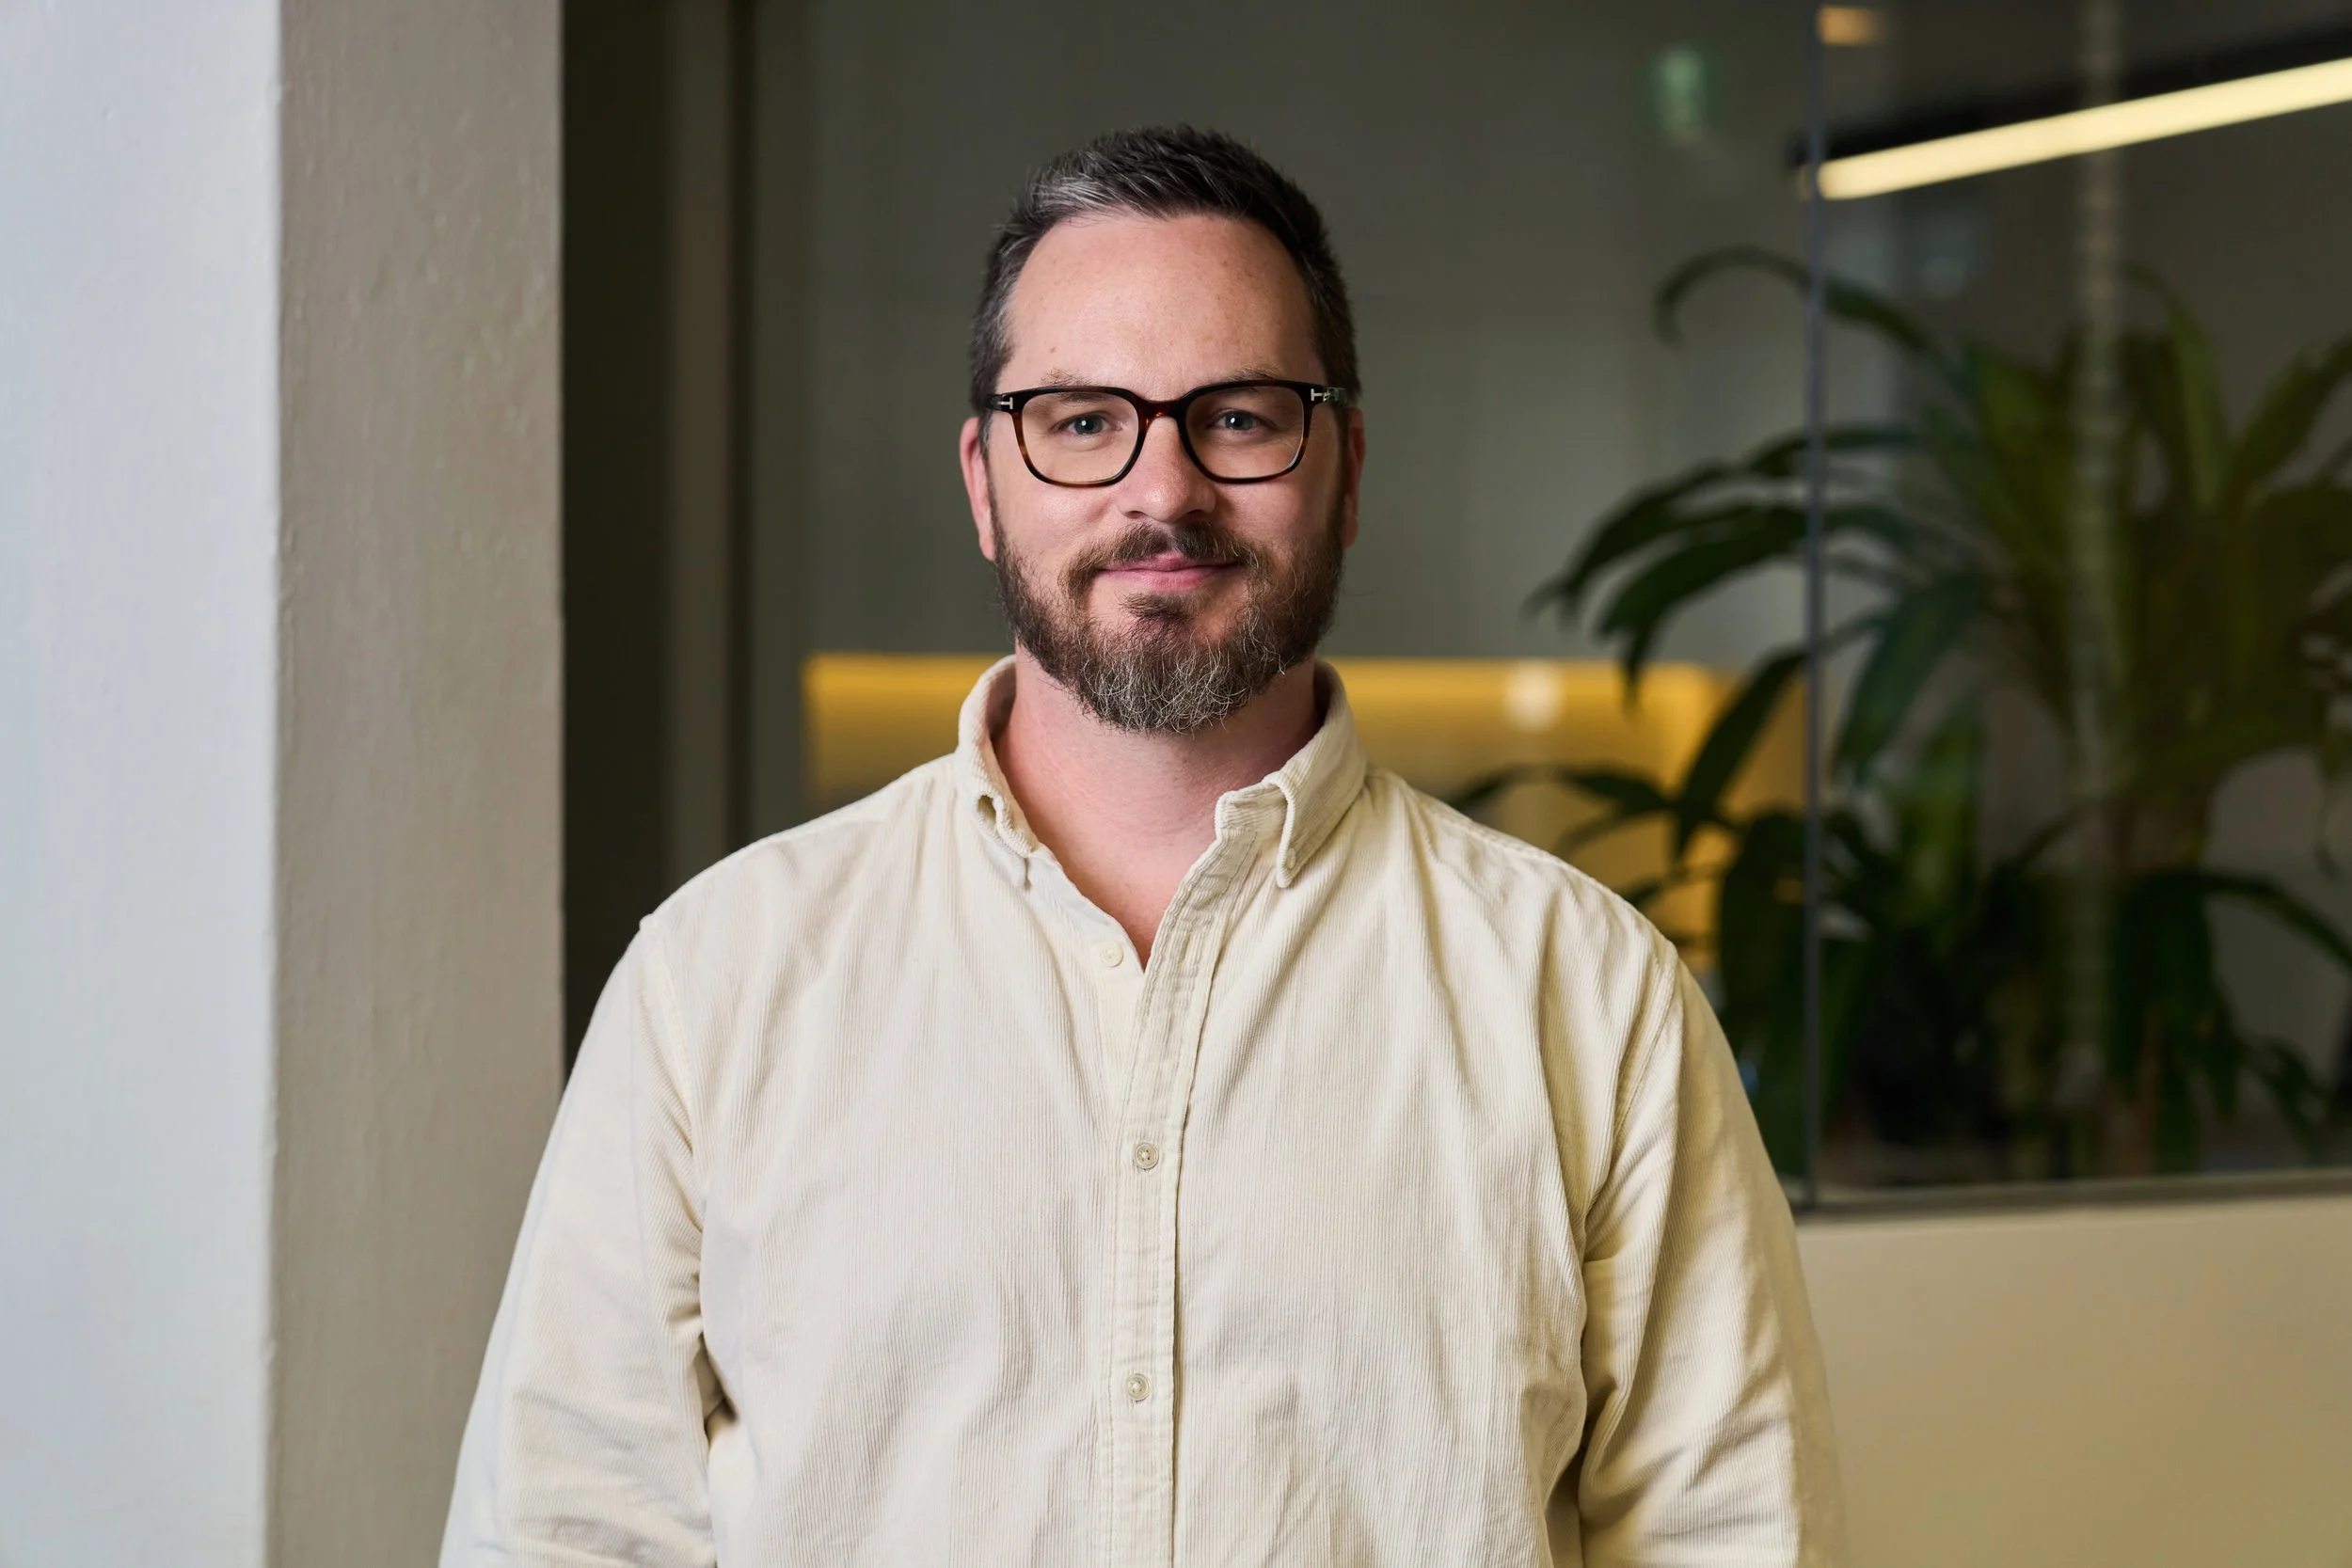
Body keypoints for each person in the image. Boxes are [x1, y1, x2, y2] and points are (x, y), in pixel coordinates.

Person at [442, 124, 1843, 1567]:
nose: (1162, 492)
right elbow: (564, 1531)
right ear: (987, 480)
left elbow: (1735, 1537)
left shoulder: (1587, 997)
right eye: (1081, 418)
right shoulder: (715, 982)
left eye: (1237, 415)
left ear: (1347, 471)